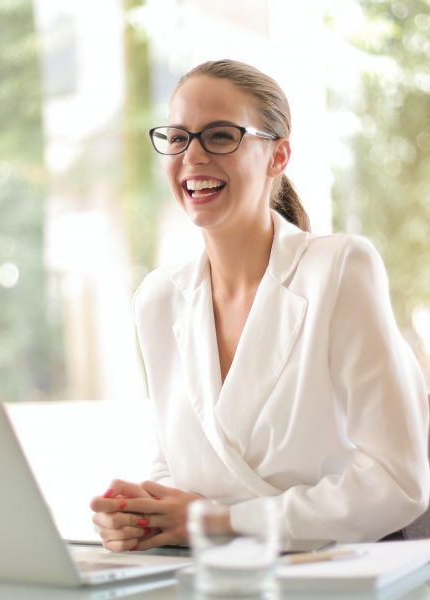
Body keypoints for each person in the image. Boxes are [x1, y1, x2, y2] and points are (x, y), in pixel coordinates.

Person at [90, 59, 430, 552]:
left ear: (278, 156)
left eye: (221, 136)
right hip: (217, 576)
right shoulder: (158, 300)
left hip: (338, 573)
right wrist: (142, 515)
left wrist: (220, 521)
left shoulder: (338, 270)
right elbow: (178, 462)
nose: (193, 156)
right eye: (179, 137)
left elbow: (399, 483)